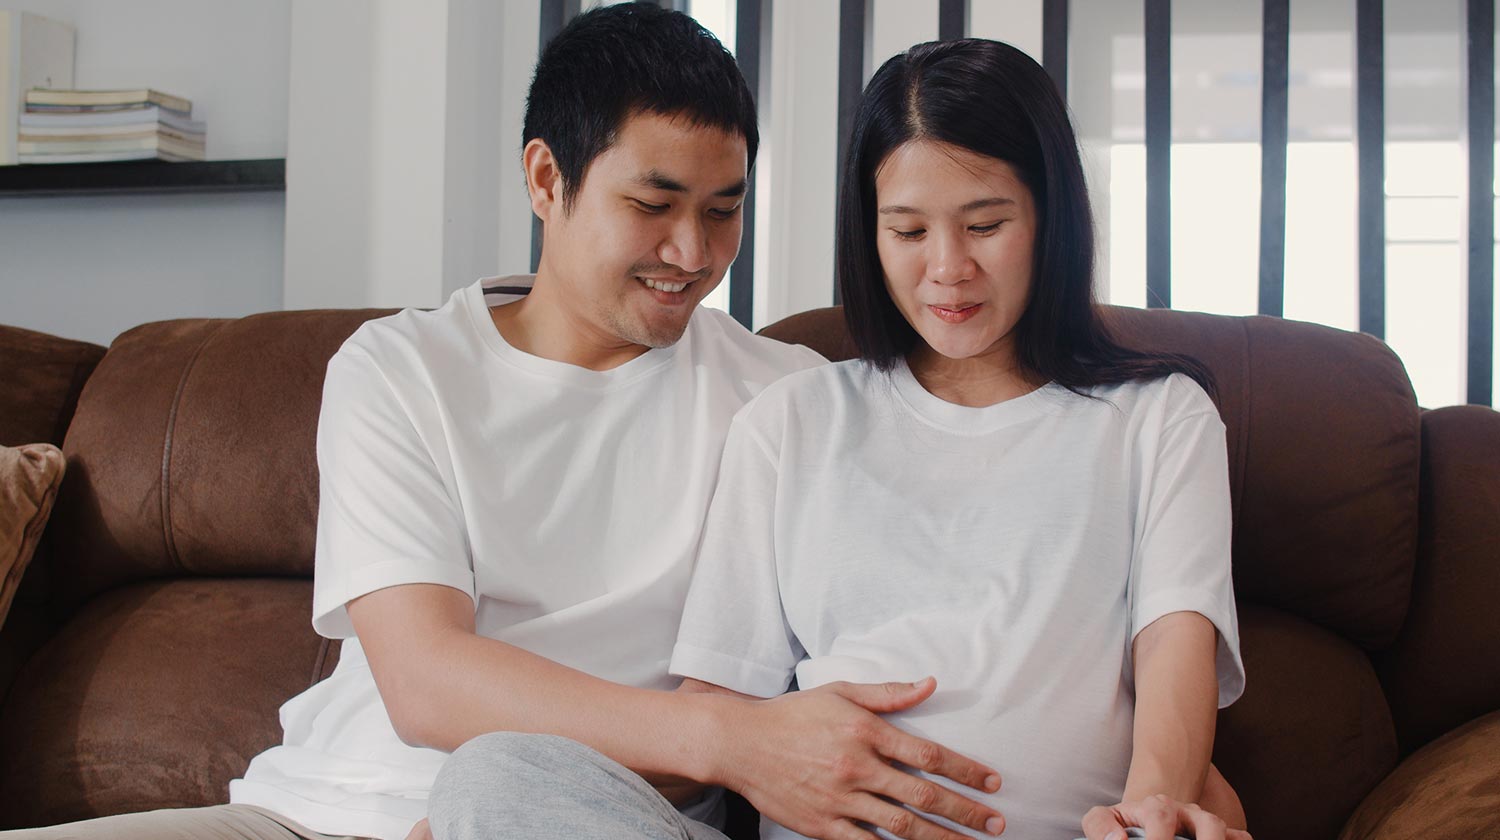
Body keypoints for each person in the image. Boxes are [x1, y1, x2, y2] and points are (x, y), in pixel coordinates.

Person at [0, 6, 1014, 840]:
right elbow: (426, 682)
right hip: (312, 811)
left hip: (575, 815)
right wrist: (728, 743)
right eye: (653, 204)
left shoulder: (783, 397)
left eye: (723, 210)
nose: (693, 253)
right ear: (545, 178)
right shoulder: (400, 370)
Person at [667, 38, 1249, 840]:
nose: (947, 268)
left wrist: (1153, 811)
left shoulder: (1160, 418)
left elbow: (1174, 649)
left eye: (985, 225)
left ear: (1051, 217)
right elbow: (718, 712)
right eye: (908, 232)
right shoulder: (790, 420)